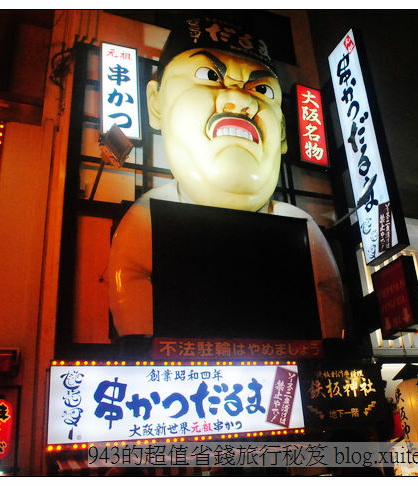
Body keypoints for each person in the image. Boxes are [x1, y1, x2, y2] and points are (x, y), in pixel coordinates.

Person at [107, 17, 344, 341]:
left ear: (285, 132)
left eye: (261, 90)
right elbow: (132, 285)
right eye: (209, 76)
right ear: (156, 103)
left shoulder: (298, 225)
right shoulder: (151, 214)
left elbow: (327, 296)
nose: (241, 101)